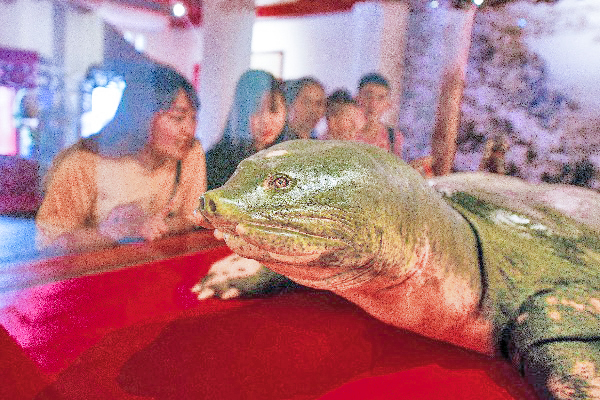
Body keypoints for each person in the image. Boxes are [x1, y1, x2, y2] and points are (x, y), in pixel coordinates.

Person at [36, 63, 207, 251]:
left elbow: (194, 217)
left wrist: (155, 225)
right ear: (141, 116)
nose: (189, 130)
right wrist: (119, 231)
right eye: (177, 118)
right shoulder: (83, 163)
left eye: (193, 118)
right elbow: (49, 243)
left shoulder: (190, 152)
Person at [206, 70, 287, 190]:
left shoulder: (290, 155)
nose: (265, 120)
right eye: (255, 110)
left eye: (273, 109)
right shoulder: (218, 161)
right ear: (241, 113)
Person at [355, 72, 403, 157]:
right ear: (357, 98)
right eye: (368, 96)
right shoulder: (346, 132)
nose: (373, 104)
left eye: (381, 98)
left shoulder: (393, 137)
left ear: (388, 104)